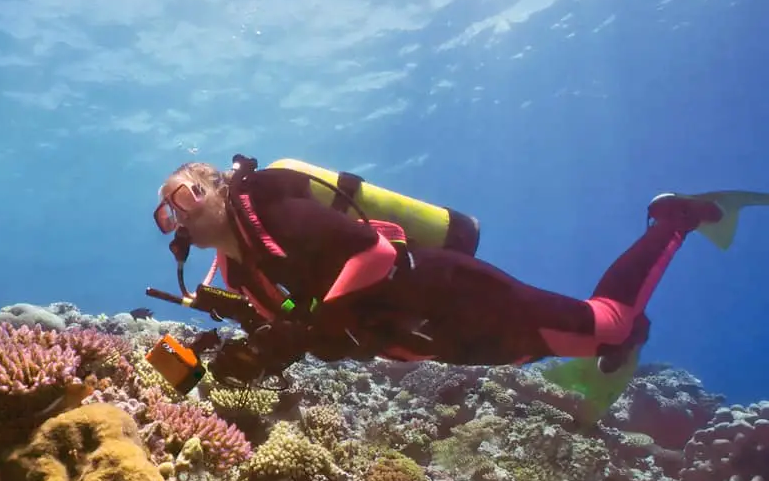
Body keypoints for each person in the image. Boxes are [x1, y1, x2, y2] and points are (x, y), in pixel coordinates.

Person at [152, 157, 765, 384]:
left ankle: (673, 217)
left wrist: (300, 332)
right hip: (427, 333)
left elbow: (376, 254)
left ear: (217, 188)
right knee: (558, 344)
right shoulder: (237, 274)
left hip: (450, 294)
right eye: (164, 215)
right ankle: (620, 339)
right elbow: (295, 318)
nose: (176, 218)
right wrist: (258, 346)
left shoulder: (272, 208)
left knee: (608, 321)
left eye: (183, 196)